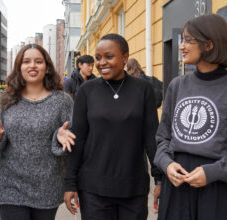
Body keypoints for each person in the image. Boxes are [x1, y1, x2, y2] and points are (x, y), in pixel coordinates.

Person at [154, 14, 227, 220]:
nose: (181, 46)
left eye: (188, 40)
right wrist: (166, 164)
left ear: (209, 45)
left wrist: (212, 173)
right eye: (182, 40)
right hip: (176, 188)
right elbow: (162, 137)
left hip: (217, 192)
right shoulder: (177, 86)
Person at [63, 33, 162, 220]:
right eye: (98, 58)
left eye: (109, 56)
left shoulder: (143, 89)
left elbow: (151, 138)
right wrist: (70, 183)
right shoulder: (87, 90)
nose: (101, 63)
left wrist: (160, 179)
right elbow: (79, 138)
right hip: (93, 189)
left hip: (133, 188)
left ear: (125, 58)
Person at [0, 44, 75, 220]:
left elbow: (72, 139)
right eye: (26, 62)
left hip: (48, 185)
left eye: (38, 61)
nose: (32, 66)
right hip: (10, 185)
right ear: (19, 68)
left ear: (47, 67)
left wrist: (59, 137)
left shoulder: (62, 101)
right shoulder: (6, 99)